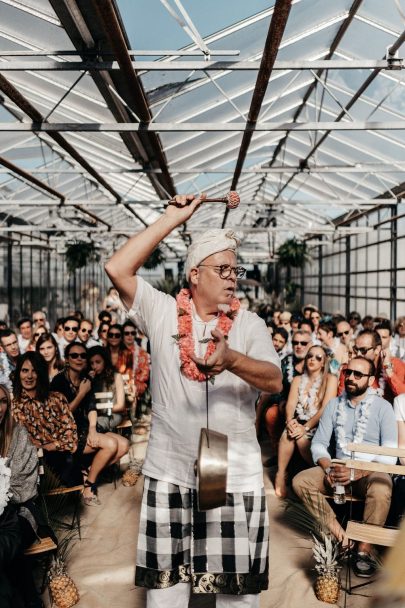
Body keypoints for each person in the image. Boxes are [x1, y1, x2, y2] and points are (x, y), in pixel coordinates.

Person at [105, 193, 282, 607]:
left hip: (232, 472)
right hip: (170, 469)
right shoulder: (162, 311)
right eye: (222, 269)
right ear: (194, 275)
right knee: (165, 594)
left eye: (234, 269)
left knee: (235, 596)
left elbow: (274, 379)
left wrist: (233, 359)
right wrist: (173, 217)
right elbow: (117, 267)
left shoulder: (249, 324)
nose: (232, 277)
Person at [292, 356, 397, 578]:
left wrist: (358, 471)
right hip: (337, 469)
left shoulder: (383, 407)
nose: (350, 378)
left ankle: (364, 549)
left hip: (370, 469)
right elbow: (319, 444)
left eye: (358, 375)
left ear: (370, 381)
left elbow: (389, 456)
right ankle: (343, 538)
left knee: (382, 487)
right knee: (300, 480)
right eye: (348, 372)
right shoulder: (334, 405)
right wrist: (329, 468)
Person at [50, 342, 128, 506]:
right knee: (111, 444)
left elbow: (91, 407)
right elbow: (61, 415)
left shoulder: (85, 380)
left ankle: (87, 471)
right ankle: (89, 486)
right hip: (66, 433)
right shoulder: (59, 381)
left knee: (124, 445)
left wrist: (93, 429)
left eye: (83, 355)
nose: (79, 359)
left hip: (84, 428)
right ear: (67, 359)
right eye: (74, 355)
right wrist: (81, 393)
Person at [0, 383, 44, 608]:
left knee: (9, 541)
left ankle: (29, 599)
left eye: (2, 401)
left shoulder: (18, 435)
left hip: (21, 510)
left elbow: (24, 486)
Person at [274, 345, 337, 498]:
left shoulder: (330, 379)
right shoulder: (297, 379)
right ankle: (280, 475)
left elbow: (325, 409)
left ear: (323, 363)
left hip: (321, 424)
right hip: (300, 419)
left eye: (318, 357)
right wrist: (289, 421)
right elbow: (290, 404)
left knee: (301, 438)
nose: (312, 359)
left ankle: (316, 477)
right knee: (288, 433)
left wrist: (306, 428)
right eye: (310, 356)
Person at [338, 329, 405, 404]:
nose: (359, 354)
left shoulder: (395, 364)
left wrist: (388, 370)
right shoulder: (350, 367)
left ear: (377, 349)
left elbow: (403, 398)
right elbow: (342, 399)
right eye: (356, 349)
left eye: (363, 350)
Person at [88, 346, 126, 431]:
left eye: (98, 362)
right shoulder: (90, 378)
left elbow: (121, 406)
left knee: (102, 421)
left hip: (113, 414)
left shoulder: (116, 376)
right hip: (94, 415)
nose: (94, 366)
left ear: (105, 361)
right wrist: (90, 381)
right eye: (92, 363)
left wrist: (100, 409)